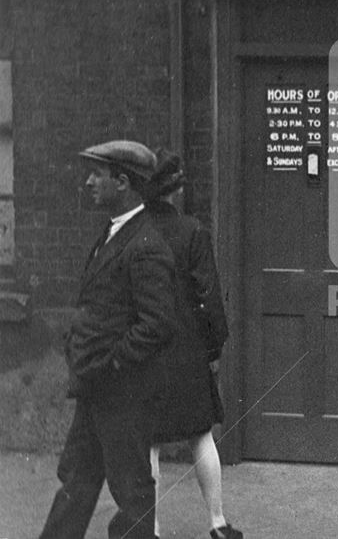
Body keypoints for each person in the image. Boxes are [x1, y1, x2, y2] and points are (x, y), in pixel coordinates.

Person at [39, 140, 176, 539]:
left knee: (131, 493)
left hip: (124, 394)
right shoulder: (115, 234)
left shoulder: (146, 245)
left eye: (97, 174)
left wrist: (113, 363)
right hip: (97, 389)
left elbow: (158, 325)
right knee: (77, 482)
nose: (88, 182)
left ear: (122, 182)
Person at [144, 150, 243, 539]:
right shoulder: (193, 232)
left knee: (147, 444)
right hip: (187, 353)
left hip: (146, 349)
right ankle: (217, 523)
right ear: (178, 189)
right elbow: (209, 297)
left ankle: (148, 529)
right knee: (201, 435)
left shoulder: (134, 233)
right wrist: (213, 349)